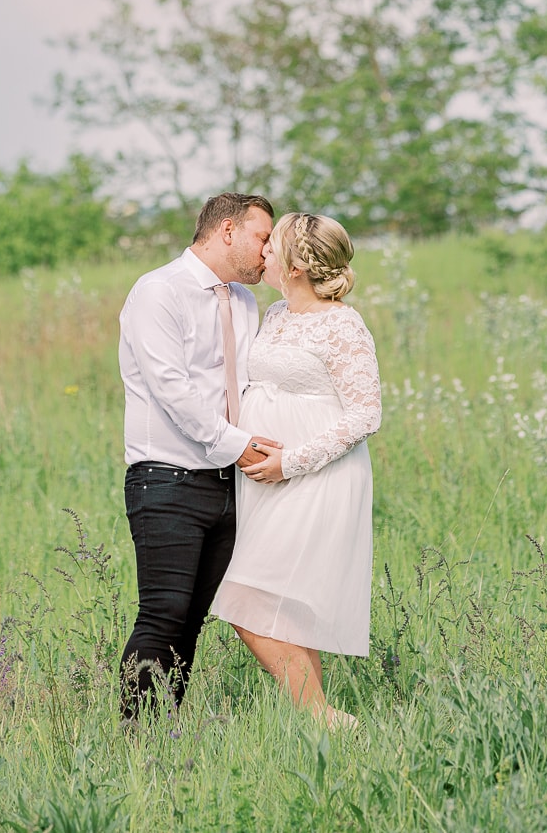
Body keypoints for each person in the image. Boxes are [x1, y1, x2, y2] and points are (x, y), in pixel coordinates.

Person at [211, 212, 381, 727]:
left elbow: (365, 411)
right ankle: (323, 725)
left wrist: (292, 461)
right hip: (264, 479)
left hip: (315, 473)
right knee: (276, 600)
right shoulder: (277, 314)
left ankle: (323, 717)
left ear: (297, 265)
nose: (262, 251)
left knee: (242, 596)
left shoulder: (342, 324)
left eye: (272, 244)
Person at [117, 191, 280, 720]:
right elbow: (173, 392)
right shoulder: (158, 292)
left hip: (230, 482)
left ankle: (165, 735)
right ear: (227, 230)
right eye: (262, 238)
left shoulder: (244, 302)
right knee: (163, 613)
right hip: (166, 477)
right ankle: (135, 740)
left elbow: (249, 387)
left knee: (191, 619)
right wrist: (243, 447)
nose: (267, 252)